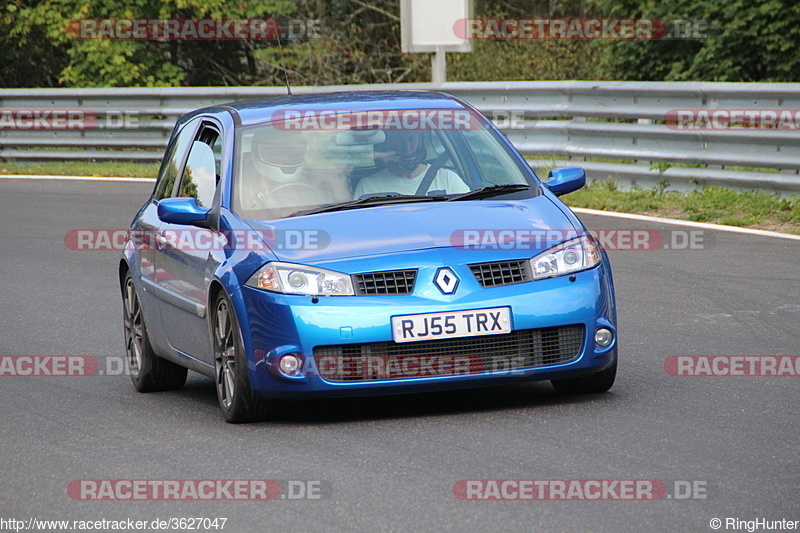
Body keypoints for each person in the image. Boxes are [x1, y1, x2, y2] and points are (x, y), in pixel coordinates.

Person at [353, 130, 469, 198]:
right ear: (387, 145)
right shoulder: (369, 186)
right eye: (399, 140)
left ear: (420, 142)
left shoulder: (447, 178)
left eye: (412, 138)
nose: (407, 147)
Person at [239, 126, 327, 211]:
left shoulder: (319, 182)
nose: (287, 160)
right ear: (257, 153)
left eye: (294, 153)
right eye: (277, 154)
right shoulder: (240, 187)